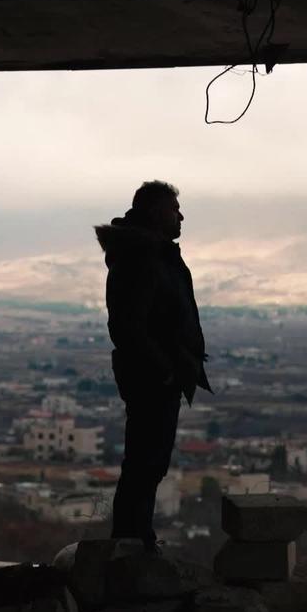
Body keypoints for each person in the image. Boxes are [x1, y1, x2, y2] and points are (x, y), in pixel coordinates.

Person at [95, 180, 212, 553]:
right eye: (174, 209)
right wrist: (164, 369)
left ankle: (135, 540)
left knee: (149, 462)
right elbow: (128, 326)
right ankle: (132, 544)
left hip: (157, 375)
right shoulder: (142, 257)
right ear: (156, 213)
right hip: (151, 379)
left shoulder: (150, 254)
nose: (181, 216)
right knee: (145, 463)